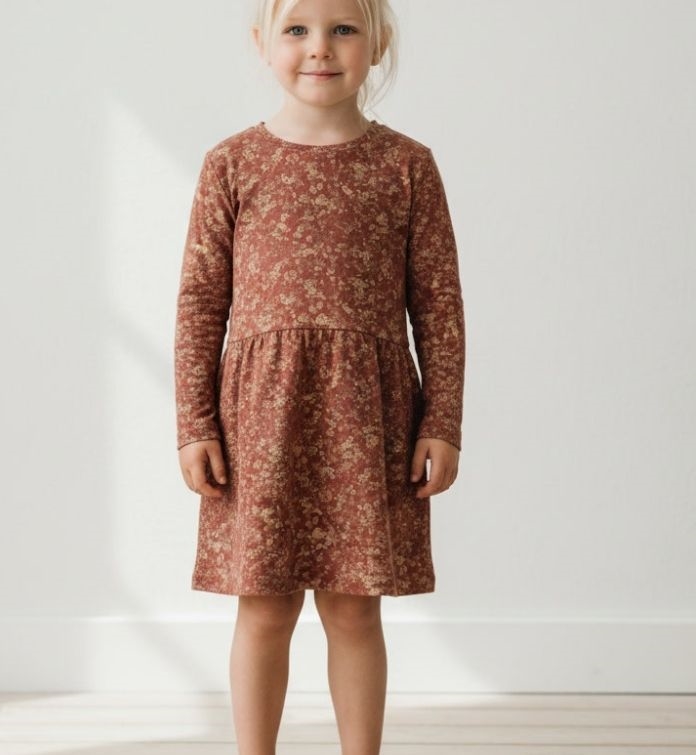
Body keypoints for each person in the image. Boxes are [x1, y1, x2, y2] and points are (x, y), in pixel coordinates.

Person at [174, 0, 465, 752]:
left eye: (343, 29)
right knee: (264, 607)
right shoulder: (231, 164)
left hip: (365, 420)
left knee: (355, 607)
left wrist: (441, 421)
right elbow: (201, 302)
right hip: (261, 421)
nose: (320, 49)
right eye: (297, 29)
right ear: (263, 42)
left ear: (378, 43)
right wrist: (194, 423)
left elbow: (438, 305)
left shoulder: (406, 166)